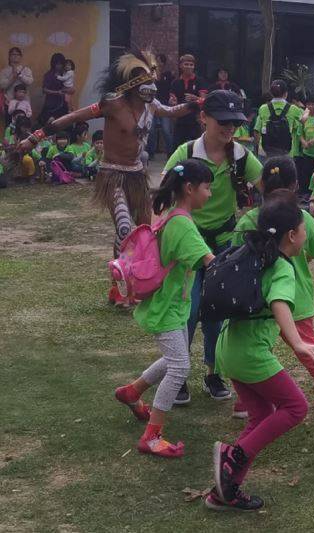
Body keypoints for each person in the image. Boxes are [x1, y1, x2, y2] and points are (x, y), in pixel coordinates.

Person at [17, 49, 199, 304]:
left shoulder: (152, 106)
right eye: (145, 81)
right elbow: (73, 116)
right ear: (132, 84)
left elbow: (173, 111)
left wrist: (198, 104)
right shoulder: (113, 104)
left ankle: (139, 280)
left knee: (145, 231)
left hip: (137, 176)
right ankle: (119, 286)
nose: (150, 86)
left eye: (152, 80)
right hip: (112, 174)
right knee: (124, 228)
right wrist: (35, 136)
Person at [209, 190, 314, 512]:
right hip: (251, 354)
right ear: (292, 235)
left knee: (261, 415)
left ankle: (225, 492)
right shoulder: (282, 268)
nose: (306, 234)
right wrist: (297, 342)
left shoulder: (251, 254)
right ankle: (233, 456)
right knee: (296, 407)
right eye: (304, 228)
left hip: (227, 349)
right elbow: (279, 302)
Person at [163, 89, 263, 403]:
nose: (230, 128)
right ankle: (178, 376)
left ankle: (213, 372)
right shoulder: (186, 153)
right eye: (223, 121)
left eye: (235, 122)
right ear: (203, 118)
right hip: (190, 246)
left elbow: (268, 188)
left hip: (225, 244)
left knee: (219, 309)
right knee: (188, 310)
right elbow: (163, 193)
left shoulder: (241, 156)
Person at [114, 159, 215, 458]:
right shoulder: (183, 224)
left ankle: (132, 391)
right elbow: (210, 261)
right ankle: (152, 436)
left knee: (175, 358)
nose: (209, 194)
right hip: (167, 307)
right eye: (207, 187)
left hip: (171, 304)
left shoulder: (174, 215)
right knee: (181, 366)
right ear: (189, 188)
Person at [232, 156, 314, 415]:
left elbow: (235, 255)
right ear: (296, 185)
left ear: (262, 184)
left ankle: (245, 402)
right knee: (307, 344)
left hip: (256, 298)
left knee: (253, 347)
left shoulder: (250, 219)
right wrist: (302, 258)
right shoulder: (301, 216)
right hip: (296, 297)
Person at [254, 79, 304, 159]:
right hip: (286, 152)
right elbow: (303, 120)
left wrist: (257, 148)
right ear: (285, 94)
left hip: (265, 152)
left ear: (271, 93)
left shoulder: (263, 108)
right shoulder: (293, 109)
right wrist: (306, 110)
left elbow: (256, 131)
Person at [169, 54, 207, 147]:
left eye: (191, 64)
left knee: (197, 147)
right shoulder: (175, 82)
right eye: (186, 64)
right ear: (181, 66)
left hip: (196, 120)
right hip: (180, 120)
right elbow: (173, 101)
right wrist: (172, 102)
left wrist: (196, 98)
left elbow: (205, 100)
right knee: (176, 147)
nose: (189, 67)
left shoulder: (199, 81)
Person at [147, 53, 175, 155]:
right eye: (155, 61)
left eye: (159, 61)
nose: (157, 63)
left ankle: (170, 153)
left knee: (166, 130)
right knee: (151, 130)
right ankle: (150, 153)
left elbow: (170, 88)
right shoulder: (150, 74)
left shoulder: (168, 75)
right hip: (151, 104)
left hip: (164, 105)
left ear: (163, 63)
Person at [0, 47, 34, 122]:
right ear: (9, 56)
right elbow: (2, 85)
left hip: (24, 103)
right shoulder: (4, 71)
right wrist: (12, 78)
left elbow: (30, 82)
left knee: (23, 126)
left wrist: (20, 76)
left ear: (20, 57)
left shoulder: (26, 69)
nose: (15, 56)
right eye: (13, 54)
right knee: (9, 126)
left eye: (17, 54)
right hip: (9, 103)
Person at [39, 53, 69, 126]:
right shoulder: (49, 75)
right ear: (53, 64)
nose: (59, 66)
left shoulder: (65, 75)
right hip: (51, 103)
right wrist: (56, 92)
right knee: (50, 123)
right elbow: (44, 90)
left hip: (63, 103)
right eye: (57, 64)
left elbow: (71, 89)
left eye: (61, 64)